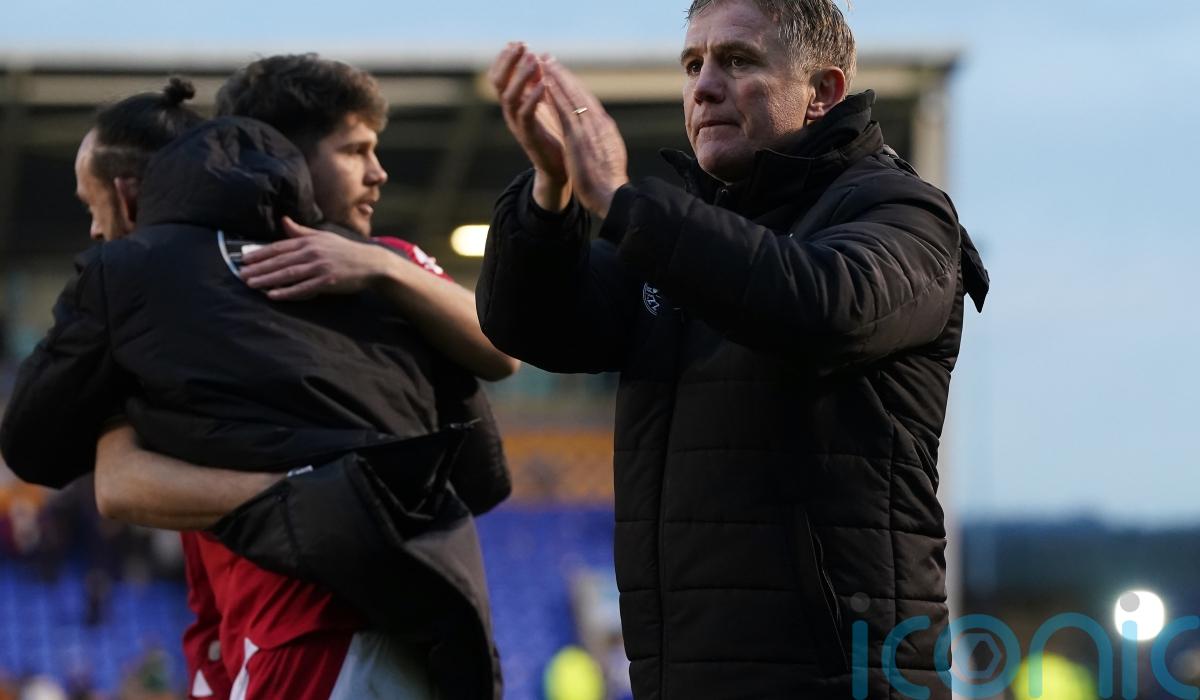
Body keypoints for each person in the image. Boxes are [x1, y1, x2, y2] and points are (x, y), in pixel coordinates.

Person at [478, 1, 990, 698]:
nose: (704, 87)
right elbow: (531, 323)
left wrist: (625, 202)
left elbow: (823, 306)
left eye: (738, 61)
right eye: (692, 65)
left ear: (822, 92)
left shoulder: (903, 214)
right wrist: (550, 188)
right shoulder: (684, 237)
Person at [3, 70, 509, 699]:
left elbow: (112, 482)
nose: (377, 173)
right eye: (355, 150)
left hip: (312, 633)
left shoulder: (155, 284)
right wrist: (316, 490)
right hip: (397, 623)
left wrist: (382, 268)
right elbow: (482, 470)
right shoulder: (179, 315)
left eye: (92, 207)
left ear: (130, 198)